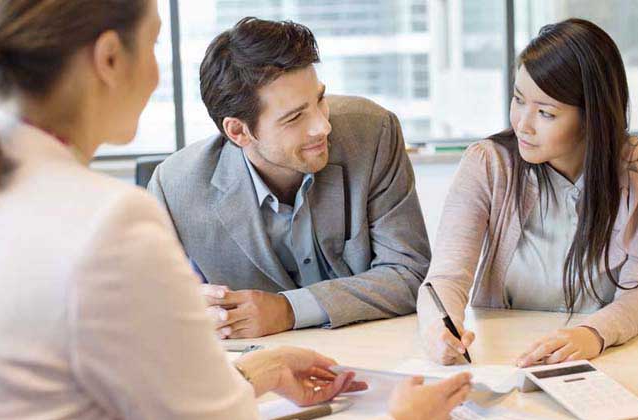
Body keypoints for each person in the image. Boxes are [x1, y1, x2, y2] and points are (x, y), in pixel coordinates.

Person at [0, 1, 470, 419]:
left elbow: (141, 391)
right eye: (156, 43)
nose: (322, 126)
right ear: (111, 59)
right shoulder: (112, 219)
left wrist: (260, 372)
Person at [148, 17, 431, 339]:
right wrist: (184, 307)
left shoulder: (371, 134)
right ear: (238, 131)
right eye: (295, 117)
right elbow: (147, 307)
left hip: (376, 347)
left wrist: (288, 309)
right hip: (262, 368)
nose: (322, 126)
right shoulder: (175, 187)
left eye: (320, 100)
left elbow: (411, 273)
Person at [417, 18, 638, 367]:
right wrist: (439, 328)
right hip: (505, 356)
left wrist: (592, 334)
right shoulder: (488, 163)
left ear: (592, 117)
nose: (522, 124)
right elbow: (446, 277)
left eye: (545, 113)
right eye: (518, 100)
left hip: (606, 356)